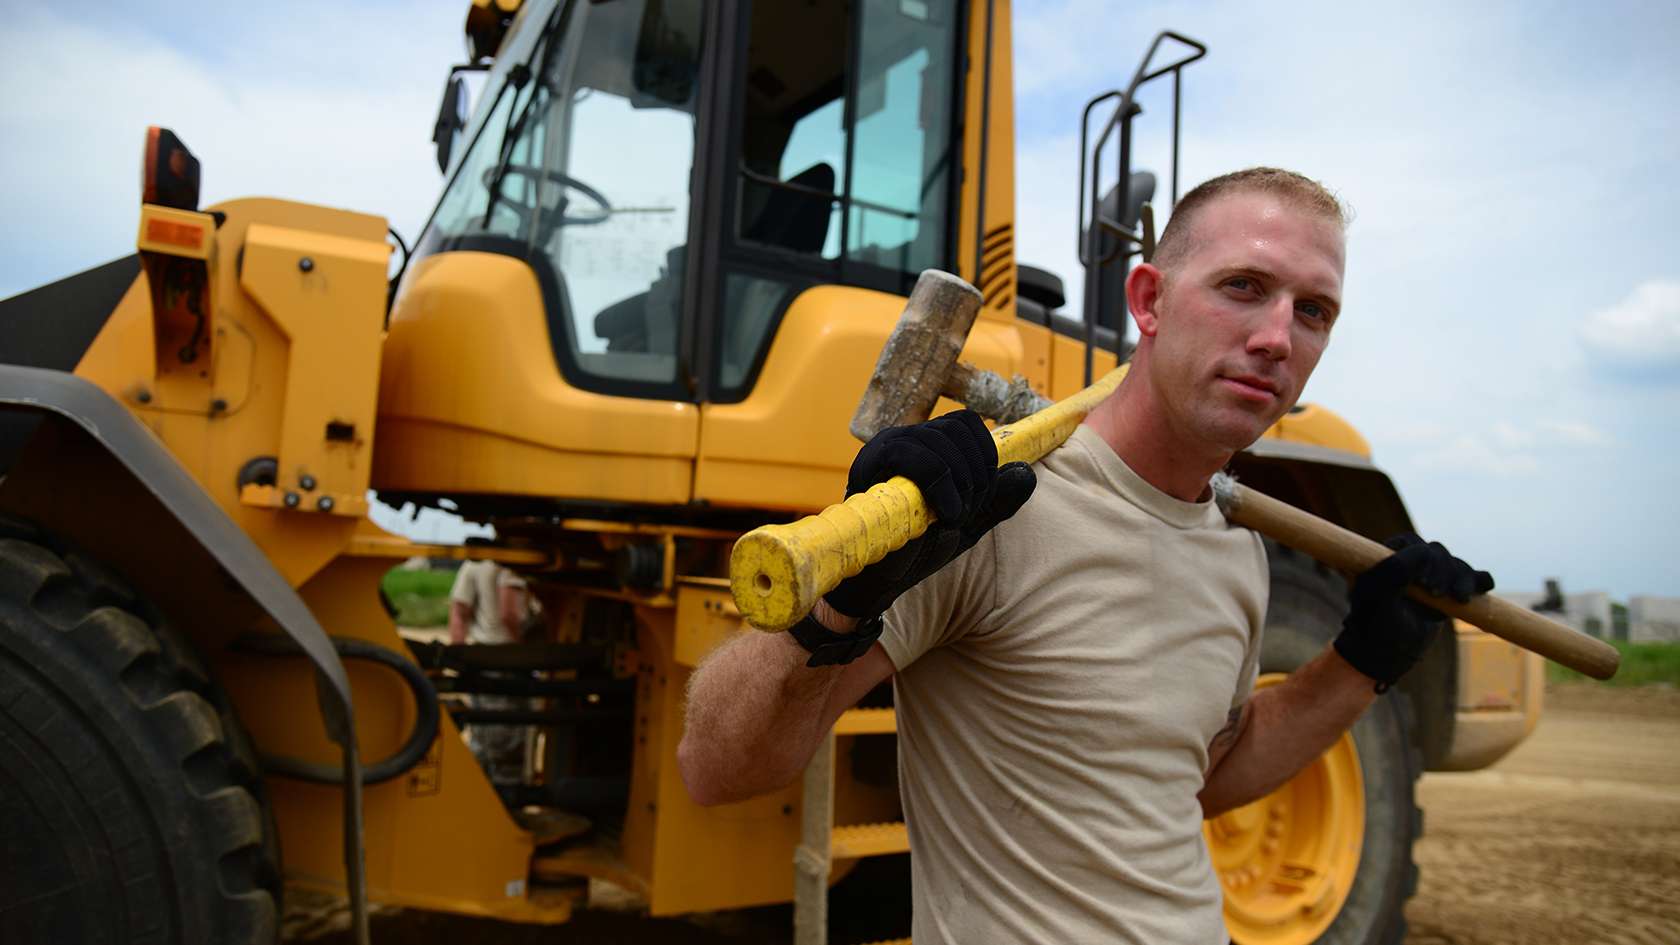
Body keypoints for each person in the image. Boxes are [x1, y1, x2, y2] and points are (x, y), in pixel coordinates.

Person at [677, 168, 1492, 943]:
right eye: (1244, 286)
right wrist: (836, 611)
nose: (1277, 337)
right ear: (1149, 300)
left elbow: (1198, 777)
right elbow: (716, 769)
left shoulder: (1236, 555)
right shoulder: (991, 512)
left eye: (1313, 311)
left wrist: (1358, 663)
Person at [449, 559, 539, 787]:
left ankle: (475, 794)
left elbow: (458, 612)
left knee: (481, 736)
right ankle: (507, 803)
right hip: (507, 661)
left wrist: (459, 658)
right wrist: (526, 647)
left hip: (480, 659)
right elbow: (509, 611)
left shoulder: (472, 564)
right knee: (507, 743)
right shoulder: (510, 564)